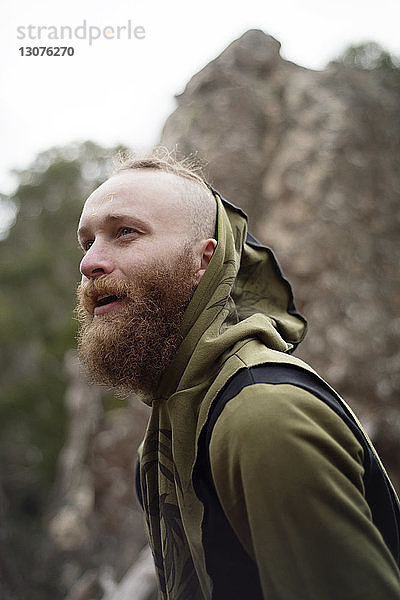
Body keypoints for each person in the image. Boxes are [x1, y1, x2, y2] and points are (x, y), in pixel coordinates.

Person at [76, 152, 400, 599]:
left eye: (125, 233)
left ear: (203, 260)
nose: (90, 262)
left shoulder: (262, 415)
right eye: (87, 242)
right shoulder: (173, 417)